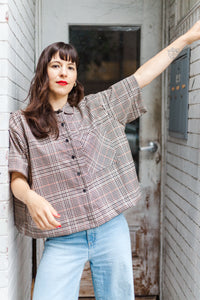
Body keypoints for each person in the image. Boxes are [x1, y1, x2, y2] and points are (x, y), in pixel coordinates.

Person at [8, 21, 200, 300]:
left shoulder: (98, 108)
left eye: (71, 67)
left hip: (111, 231)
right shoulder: (22, 123)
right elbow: (17, 179)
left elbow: (141, 76)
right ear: (43, 73)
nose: (64, 72)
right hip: (63, 238)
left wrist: (187, 38)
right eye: (56, 66)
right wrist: (32, 199)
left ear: (76, 76)